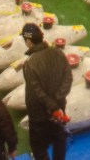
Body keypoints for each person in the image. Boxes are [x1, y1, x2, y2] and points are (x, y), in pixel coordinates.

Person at [21, 23, 72, 160]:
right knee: (59, 140)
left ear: (28, 41)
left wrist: (52, 105)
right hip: (59, 110)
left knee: (38, 147)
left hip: (39, 115)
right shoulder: (58, 52)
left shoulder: (30, 63)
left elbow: (36, 91)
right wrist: (57, 101)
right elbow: (68, 77)